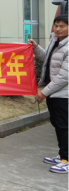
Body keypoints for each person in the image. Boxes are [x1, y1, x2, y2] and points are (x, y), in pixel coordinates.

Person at [29, 14, 68, 174]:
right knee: (57, 124)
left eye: (62, 26)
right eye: (56, 25)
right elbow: (48, 60)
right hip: (54, 93)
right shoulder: (55, 41)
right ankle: (62, 155)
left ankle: (66, 160)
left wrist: (43, 93)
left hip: (64, 94)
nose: (58, 29)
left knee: (63, 126)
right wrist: (36, 48)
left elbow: (64, 77)